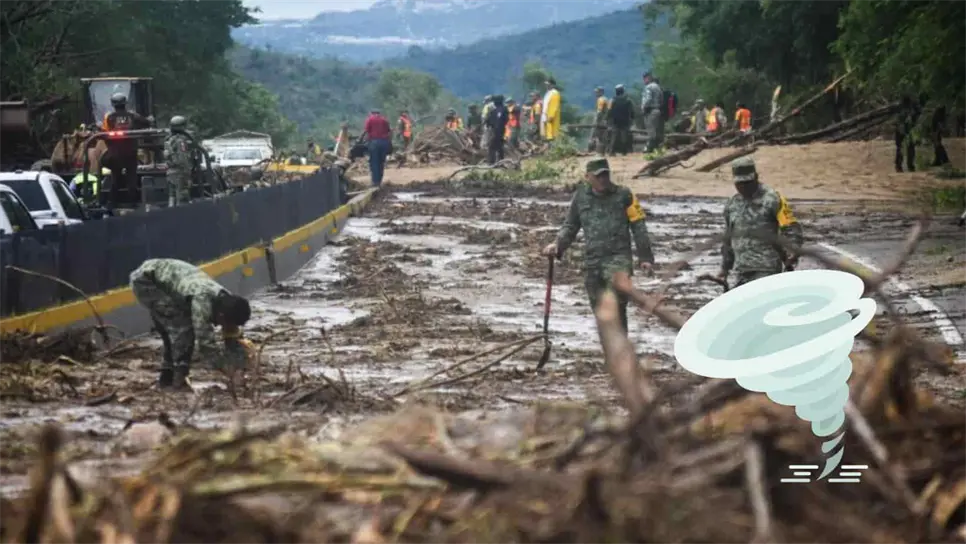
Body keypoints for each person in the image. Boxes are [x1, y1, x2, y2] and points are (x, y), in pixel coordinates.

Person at [542, 157, 655, 334]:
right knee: (600, 310)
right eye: (598, 176)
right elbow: (571, 225)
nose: (603, 180)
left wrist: (645, 257)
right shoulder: (581, 197)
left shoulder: (624, 195)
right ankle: (610, 351)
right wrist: (558, 245)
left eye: (605, 175)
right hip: (593, 262)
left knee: (617, 306)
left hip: (619, 260)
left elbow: (638, 226)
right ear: (588, 177)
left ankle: (621, 352)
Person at [130, 258, 252, 390]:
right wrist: (228, 370)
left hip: (167, 278)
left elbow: (232, 335)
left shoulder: (228, 302)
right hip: (146, 281)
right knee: (183, 328)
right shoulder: (202, 302)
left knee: (175, 325)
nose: (226, 328)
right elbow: (206, 345)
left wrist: (239, 364)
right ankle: (178, 380)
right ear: (221, 316)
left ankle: (166, 376)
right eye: (227, 324)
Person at [715, 157, 804, 288]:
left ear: (756, 177)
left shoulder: (772, 199)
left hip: (766, 268)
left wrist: (792, 252)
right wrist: (725, 268)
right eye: (739, 183)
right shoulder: (732, 204)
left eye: (747, 182)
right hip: (742, 269)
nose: (743, 187)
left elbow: (791, 228)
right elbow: (728, 238)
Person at [100, 93, 152, 208]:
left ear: (113, 104)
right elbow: (146, 123)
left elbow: (104, 132)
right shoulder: (133, 116)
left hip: (115, 154)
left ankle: (111, 203)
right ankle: (133, 203)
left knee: (116, 178)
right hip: (131, 153)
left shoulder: (109, 117)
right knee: (131, 178)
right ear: (125, 103)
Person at [164, 116, 194, 206]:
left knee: (172, 197)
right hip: (180, 173)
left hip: (170, 173)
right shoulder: (181, 141)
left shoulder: (168, 139)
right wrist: (188, 174)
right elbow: (182, 158)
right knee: (182, 198)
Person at [363, 109, 392, 187]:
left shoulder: (370, 119)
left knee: (374, 162)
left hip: (374, 143)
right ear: (379, 113)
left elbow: (366, 131)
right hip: (384, 143)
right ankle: (379, 180)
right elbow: (389, 132)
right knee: (381, 162)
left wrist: (363, 140)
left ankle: (375, 182)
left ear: (371, 113)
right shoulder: (384, 120)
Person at [894, 95, 920, 173]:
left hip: (908, 129)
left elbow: (917, 116)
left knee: (908, 147)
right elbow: (897, 119)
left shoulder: (912, 106)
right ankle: (902, 166)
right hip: (903, 129)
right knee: (903, 148)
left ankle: (907, 165)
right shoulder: (900, 106)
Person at [607, 84, 634, 155]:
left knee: (614, 136)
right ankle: (624, 151)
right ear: (623, 91)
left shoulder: (612, 100)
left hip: (615, 121)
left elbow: (609, 111)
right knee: (624, 136)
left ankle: (611, 151)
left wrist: (607, 119)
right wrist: (632, 118)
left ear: (616, 91)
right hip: (625, 121)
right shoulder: (628, 100)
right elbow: (632, 111)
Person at [640, 72, 664, 152]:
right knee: (657, 131)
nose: (644, 81)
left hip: (650, 111)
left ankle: (650, 148)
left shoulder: (648, 87)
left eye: (644, 79)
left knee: (651, 131)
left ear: (648, 78)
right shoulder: (658, 87)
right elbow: (661, 99)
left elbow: (648, 99)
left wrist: (643, 107)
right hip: (658, 110)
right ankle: (658, 148)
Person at [485, 95, 508, 164]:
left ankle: (491, 162)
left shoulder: (494, 111)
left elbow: (488, 122)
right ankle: (501, 161)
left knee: (491, 147)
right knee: (500, 146)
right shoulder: (505, 109)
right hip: (503, 131)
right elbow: (506, 120)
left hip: (496, 131)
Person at [590, 87, 609, 152]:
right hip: (605, 120)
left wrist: (597, 121)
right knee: (603, 137)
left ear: (601, 92)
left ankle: (592, 150)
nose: (596, 93)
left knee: (594, 136)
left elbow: (599, 111)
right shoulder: (606, 99)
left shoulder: (601, 100)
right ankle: (603, 150)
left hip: (600, 120)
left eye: (597, 92)